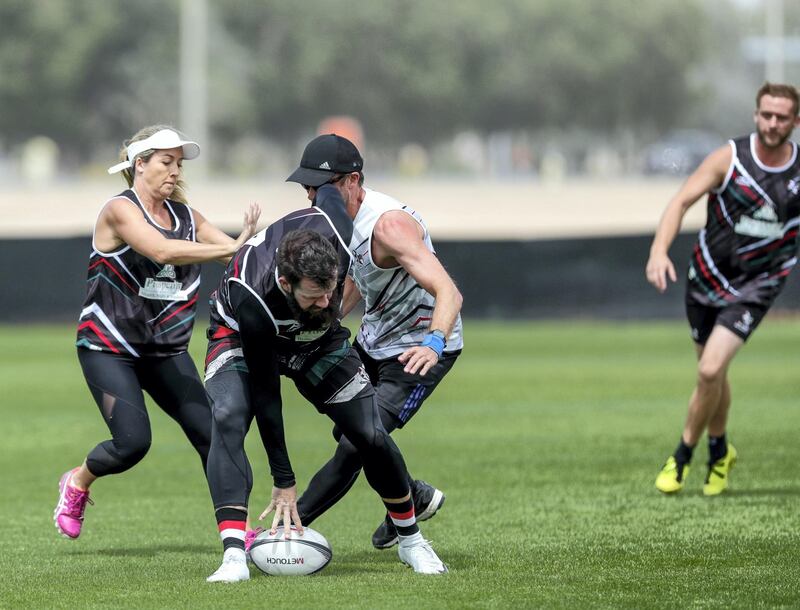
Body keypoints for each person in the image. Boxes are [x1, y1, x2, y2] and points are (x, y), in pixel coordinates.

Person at [203, 173, 448, 583]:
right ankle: (232, 558)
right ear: (285, 282)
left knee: (368, 432)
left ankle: (411, 540)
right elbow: (267, 396)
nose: (326, 301)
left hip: (316, 340)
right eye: (314, 295)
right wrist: (284, 480)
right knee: (229, 414)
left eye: (330, 290)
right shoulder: (254, 296)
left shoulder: (337, 229)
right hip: (241, 336)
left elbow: (333, 189)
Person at [54, 125, 261, 540]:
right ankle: (77, 482)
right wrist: (234, 246)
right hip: (108, 347)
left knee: (218, 438)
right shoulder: (119, 209)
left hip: (165, 351)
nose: (174, 171)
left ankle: (238, 532)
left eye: (178, 164)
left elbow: (239, 260)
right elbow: (162, 250)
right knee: (132, 444)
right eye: (166, 162)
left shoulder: (186, 217)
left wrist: (267, 255)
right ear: (139, 164)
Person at [278, 134, 463, 551]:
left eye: (319, 187)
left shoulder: (389, 226)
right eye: (307, 187)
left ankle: (287, 530)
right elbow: (360, 280)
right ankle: (410, 494)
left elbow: (449, 291)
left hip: (416, 353)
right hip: (374, 339)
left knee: (353, 446)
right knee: (355, 429)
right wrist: (309, 329)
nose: (311, 196)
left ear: (352, 181)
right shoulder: (340, 222)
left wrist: (433, 343)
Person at [646, 83, 800, 496]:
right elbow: (680, 201)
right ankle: (720, 451)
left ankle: (681, 455)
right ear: (756, 115)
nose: (772, 123)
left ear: (795, 121)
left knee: (710, 369)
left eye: (781, 116)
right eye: (766, 114)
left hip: (758, 285)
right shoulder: (730, 159)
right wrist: (659, 251)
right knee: (713, 375)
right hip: (706, 278)